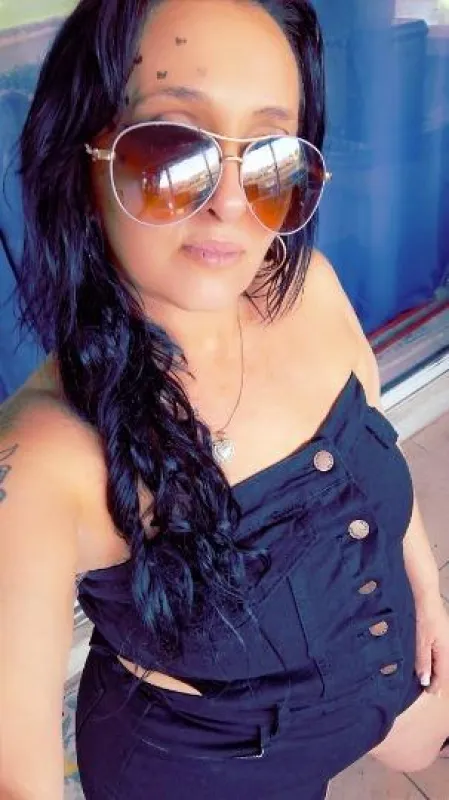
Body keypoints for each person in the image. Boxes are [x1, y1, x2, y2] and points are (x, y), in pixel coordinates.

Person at [1, 1, 448, 798]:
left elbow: (367, 452)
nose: (232, 205)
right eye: (173, 149)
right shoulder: (45, 457)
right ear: (81, 157)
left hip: (377, 688)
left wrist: (425, 590)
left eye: (271, 157)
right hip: (210, 767)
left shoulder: (306, 289)